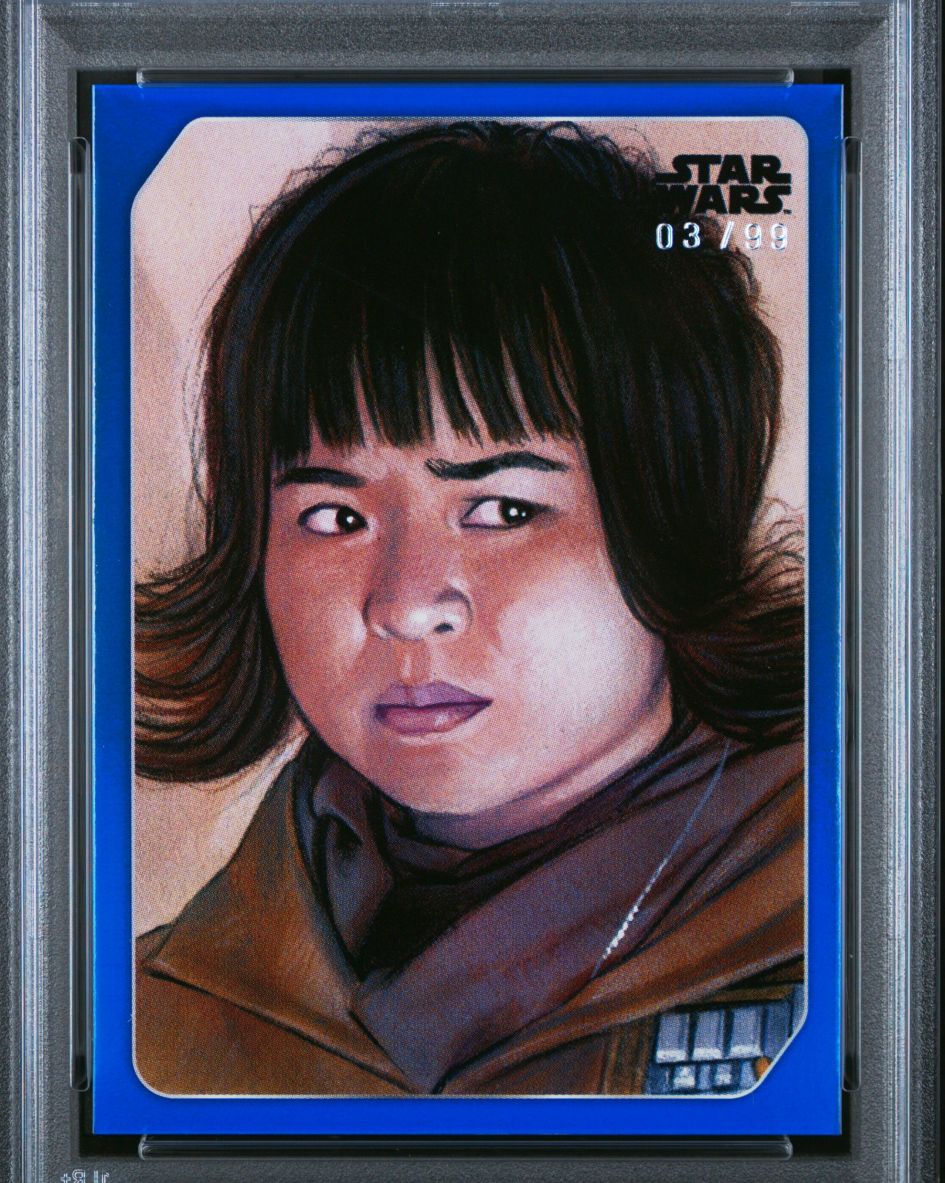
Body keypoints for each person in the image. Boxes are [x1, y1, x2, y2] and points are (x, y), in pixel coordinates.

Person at [135, 120, 804, 1098]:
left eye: (502, 510)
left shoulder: (850, 945)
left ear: (677, 513)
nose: (407, 604)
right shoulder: (144, 1018)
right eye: (336, 515)